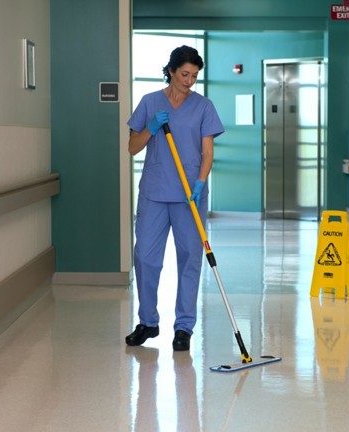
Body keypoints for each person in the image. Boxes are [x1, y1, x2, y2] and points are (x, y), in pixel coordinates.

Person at [125, 45, 224, 351]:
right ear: (170, 70)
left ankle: (184, 327)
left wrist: (200, 181)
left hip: (188, 196)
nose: (189, 81)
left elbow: (208, 152)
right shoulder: (150, 102)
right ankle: (148, 322)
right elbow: (132, 147)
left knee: (189, 260)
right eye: (184, 74)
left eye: (194, 76)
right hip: (155, 192)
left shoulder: (204, 107)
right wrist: (151, 128)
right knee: (145, 258)